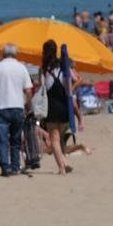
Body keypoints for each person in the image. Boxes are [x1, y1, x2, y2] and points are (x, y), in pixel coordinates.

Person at [0, 43, 33, 177]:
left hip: (2, 107)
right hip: (18, 107)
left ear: (3, 53)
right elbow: (28, 91)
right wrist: (29, 106)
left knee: (2, 140)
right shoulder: (22, 68)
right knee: (16, 140)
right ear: (15, 53)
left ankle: (5, 167)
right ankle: (15, 166)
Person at [37, 40, 74, 176]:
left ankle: (62, 167)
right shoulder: (64, 67)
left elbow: (42, 88)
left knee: (54, 140)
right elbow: (71, 84)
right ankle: (63, 162)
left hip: (52, 107)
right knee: (59, 138)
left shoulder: (44, 69)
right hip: (64, 106)